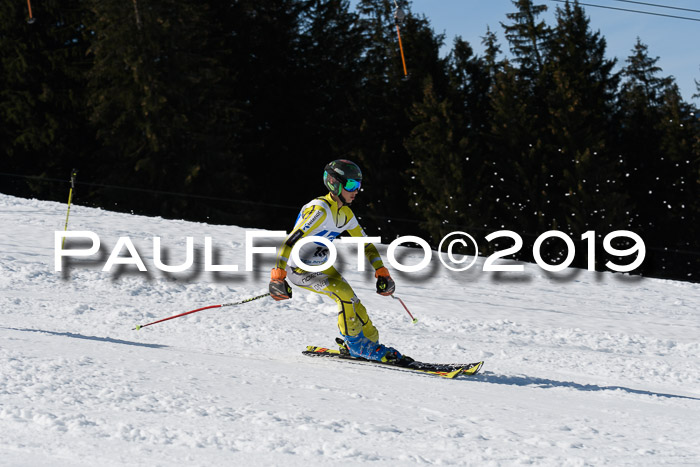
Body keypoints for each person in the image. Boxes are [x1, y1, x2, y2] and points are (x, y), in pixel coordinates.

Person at [269, 159, 404, 362]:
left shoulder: (346, 214)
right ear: (335, 183)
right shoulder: (320, 210)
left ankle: (367, 342)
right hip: (298, 270)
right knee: (343, 294)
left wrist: (381, 271)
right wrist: (278, 276)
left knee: (356, 306)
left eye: (358, 186)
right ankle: (356, 345)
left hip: (322, 266)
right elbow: (290, 241)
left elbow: (365, 244)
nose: (356, 190)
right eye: (351, 185)